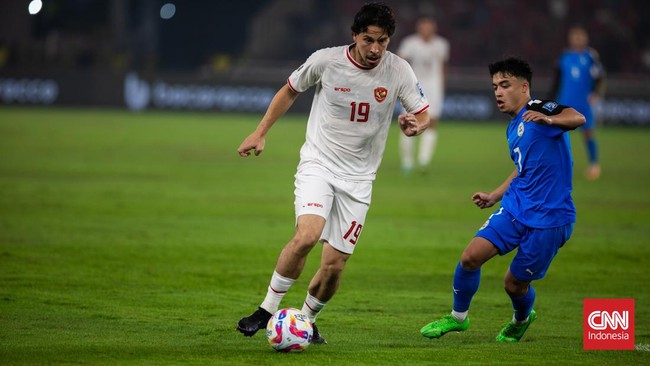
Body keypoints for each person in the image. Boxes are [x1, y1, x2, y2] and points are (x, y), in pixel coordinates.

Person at [236, 2, 430, 344]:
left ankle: (306, 321)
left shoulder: (398, 70)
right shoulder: (326, 60)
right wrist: (260, 131)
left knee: (334, 266)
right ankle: (266, 310)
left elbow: (422, 114)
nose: (375, 49)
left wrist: (415, 126)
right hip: (319, 164)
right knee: (308, 235)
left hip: (359, 179)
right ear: (354, 35)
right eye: (368, 39)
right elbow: (290, 91)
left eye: (382, 41)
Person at [420, 57, 585, 342]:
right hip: (516, 207)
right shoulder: (513, 126)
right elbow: (523, 168)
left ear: (524, 87)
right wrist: (496, 195)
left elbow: (577, 117)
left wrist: (550, 118)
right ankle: (458, 318)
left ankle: (521, 318)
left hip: (549, 218)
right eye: (495, 86)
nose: (498, 91)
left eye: (505, 85)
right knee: (470, 257)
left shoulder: (537, 110)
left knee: (513, 284)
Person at [550, 25, 606, 180]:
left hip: (583, 102)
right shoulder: (564, 57)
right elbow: (557, 80)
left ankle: (594, 165)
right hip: (564, 102)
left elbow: (600, 77)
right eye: (575, 36)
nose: (577, 38)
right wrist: (551, 100)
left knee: (588, 133)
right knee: (557, 134)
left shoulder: (590, 56)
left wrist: (595, 94)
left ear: (585, 38)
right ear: (570, 38)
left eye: (580, 36)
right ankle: (557, 166)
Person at [396, 16, 449, 174]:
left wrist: (442, 86)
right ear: (419, 28)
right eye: (423, 26)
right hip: (413, 86)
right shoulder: (409, 43)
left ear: (434, 28)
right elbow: (400, 63)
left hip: (434, 86)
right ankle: (407, 162)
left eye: (429, 26)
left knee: (432, 122)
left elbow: (443, 67)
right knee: (407, 122)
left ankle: (424, 160)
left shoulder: (442, 44)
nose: (426, 29)